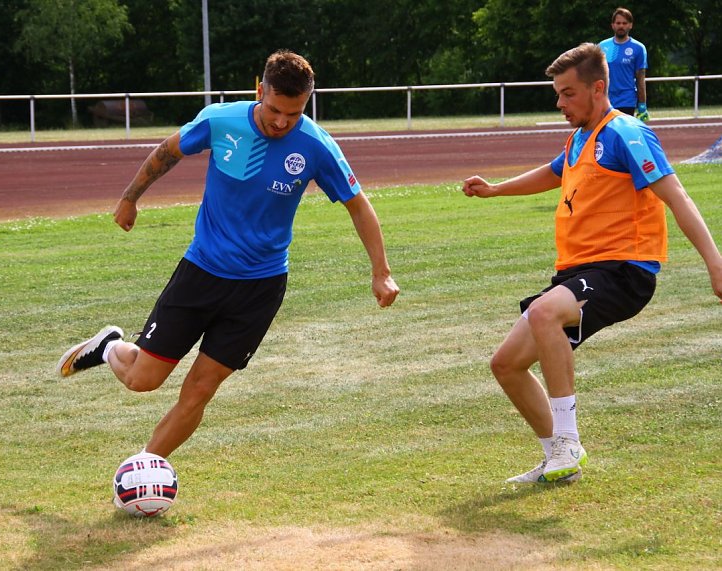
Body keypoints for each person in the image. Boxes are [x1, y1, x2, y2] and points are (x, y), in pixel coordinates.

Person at [57, 50, 400, 460]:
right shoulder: (220, 121)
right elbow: (168, 152)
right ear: (259, 90)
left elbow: (358, 204)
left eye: (293, 114)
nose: (280, 122)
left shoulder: (316, 146)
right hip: (202, 273)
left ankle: (144, 469)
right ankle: (110, 345)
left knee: (201, 389)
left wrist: (381, 272)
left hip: (260, 288)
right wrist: (130, 198)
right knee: (143, 380)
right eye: (274, 109)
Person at [462, 43, 722, 484]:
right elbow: (552, 173)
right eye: (558, 94)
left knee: (545, 312)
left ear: (598, 88)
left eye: (567, 93)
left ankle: (568, 440)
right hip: (579, 273)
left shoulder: (626, 133)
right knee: (506, 364)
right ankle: (558, 461)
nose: (559, 103)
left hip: (624, 270)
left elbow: (676, 196)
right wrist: (494, 190)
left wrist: (715, 265)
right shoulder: (581, 135)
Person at [599, 7, 649, 122]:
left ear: (630, 25)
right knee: (605, 136)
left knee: (623, 135)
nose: (621, 26)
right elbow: (595, 75)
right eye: (618, 23)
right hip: (606, 100)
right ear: (612, 25)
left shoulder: (638, 48)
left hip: (627, 100)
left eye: (624, 23)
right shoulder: (602, 46)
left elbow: (640, 79)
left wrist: (642, 106)